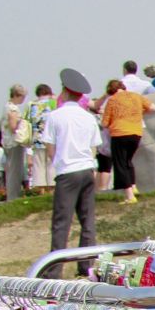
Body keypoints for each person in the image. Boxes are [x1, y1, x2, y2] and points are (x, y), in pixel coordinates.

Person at [46, 68, 102, 253]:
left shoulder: (55, 116)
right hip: (86, 169)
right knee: (87, 221)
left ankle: (54, 268)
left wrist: (57, 163)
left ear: (65, 90)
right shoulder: (88, 117)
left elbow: (50, 147)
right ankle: (86, 264)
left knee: (62, 222)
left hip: (67, 171)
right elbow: (94, 146)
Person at [99, 77, 155, 203]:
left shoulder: (112, 100)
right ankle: (133, 186)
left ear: (110, 91)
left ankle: (129, 196)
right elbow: (154, 108)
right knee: (128, 161)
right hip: (136, 133)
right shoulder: (136, 96)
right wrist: (138, 113)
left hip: (119, 133)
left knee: (120, 164)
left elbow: (104, 124)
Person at [1, 84, 32, 198]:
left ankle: (12, 195)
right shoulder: (13, 108)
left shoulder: (7, 106)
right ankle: (13, 197)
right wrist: (21, 121)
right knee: (15, 171)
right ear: (17, 95)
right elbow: (13, 126)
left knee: (12, 170)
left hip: (8, 142)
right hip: (14, 143)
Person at [27, 83, 57, 191]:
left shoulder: (32, 105)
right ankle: (52, 190)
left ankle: (41, 190)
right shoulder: (53, 103)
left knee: (39, 166)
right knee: (51, 164)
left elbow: (28, 121)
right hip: (51, 139)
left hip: (37, 139)